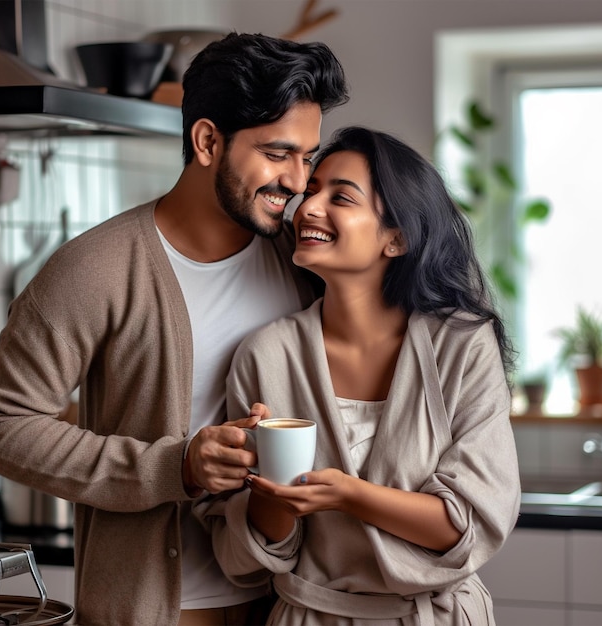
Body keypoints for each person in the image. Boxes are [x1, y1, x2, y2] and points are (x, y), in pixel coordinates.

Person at [0, 33, 348, 625]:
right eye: (278, 153)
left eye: (307, 157)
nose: (299, 181)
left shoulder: (303, 260)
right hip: (157, 610)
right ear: (207, 141)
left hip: (291, 606)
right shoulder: (96, 268)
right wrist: (175, 467)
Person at [194, 126, 522, 625]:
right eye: (312, 190)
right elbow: (248, 551)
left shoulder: (460, 344)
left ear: (397, 238)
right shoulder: (267, 354)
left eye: (340, 197)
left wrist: (349, 495)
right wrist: (271, 488)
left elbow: (467, 524)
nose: (307, 208)